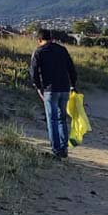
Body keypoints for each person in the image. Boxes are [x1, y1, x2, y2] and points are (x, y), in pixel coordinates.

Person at [30, 28, 78, 158]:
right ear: (51, 38)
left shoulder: (38, 52)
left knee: (52, 120)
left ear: (39, 40)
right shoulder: (62, 50)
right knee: (62, 119)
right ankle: (64, 148)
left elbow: (33, 73)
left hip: (50, 90)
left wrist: (38, 87)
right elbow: (71, 68)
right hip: (64, 88)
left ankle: (56, 150)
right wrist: (73, 85)